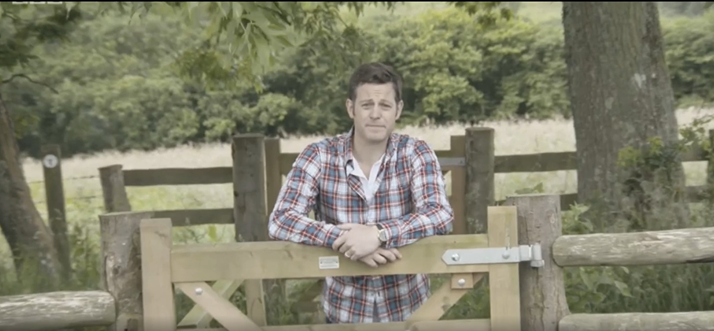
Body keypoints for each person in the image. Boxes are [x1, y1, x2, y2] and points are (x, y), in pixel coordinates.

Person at [267, 62, 454, 324]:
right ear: (350, 108)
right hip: (344, 313)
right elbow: (281, 219)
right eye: (367, 105)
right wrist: (345, 240)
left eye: (385, 105)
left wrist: (379, 234)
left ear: (397, 110)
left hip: (411, 312)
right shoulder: (319, 155)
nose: (375, 114)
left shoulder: (415, 152)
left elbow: (440, 215)